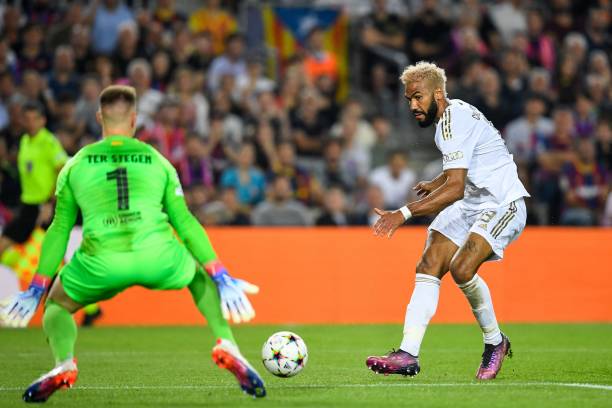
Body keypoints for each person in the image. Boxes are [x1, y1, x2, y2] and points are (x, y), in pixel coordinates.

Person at [0, 86, 266, 402]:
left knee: (56, 306)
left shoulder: (76, 164)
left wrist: (36, 287)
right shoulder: (158, 160)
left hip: (102, 261)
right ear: (135, 120)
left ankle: (64, 363)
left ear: (99, 117)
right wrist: (220, 273)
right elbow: (185, 222)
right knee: (198, 278)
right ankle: (227, 343)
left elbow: (59, 230)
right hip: (157, 255)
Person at [366, 62, 529, 380]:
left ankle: (495, 342)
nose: (413, 105)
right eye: (408, 99)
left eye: (417, 97)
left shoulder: (453, 120)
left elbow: (455, 187)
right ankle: (408, 354)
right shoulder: (450, 117)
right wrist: (437, 180)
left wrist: (404, 213)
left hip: (502, 202)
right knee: (429, 263)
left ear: (437, 94)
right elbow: (461, 170)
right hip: (472, 201)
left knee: (462, 268)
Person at [0, 101, 67, 261]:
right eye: (27, 119)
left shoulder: (49, 142)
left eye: (34, 119)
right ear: (22, 120)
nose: (30, 123)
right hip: (28, 204)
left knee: (54, 254)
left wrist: (51, 203)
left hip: (45, 206)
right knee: (5, 241)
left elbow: (63, 171)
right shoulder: (24, 141)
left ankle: (66, 284)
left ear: (42, 120)